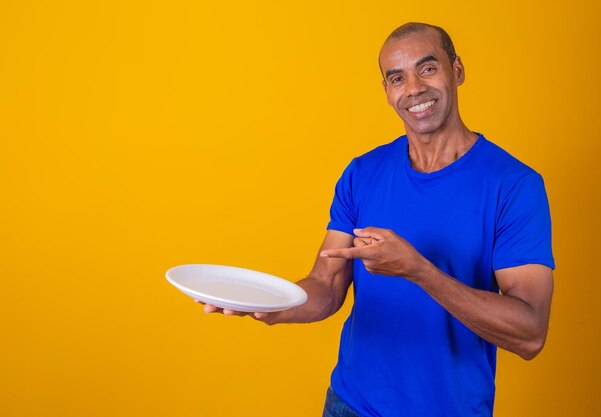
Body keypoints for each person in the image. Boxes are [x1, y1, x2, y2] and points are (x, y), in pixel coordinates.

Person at [200, 22, 555, 417]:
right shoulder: (362, 173)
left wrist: (420, 270)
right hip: (350, 405)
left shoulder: (514, 185)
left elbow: (530, 333)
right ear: (386, 91)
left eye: (428, 68)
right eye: (397, 78)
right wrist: (273, 306)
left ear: (457, 70)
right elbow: (327, 284)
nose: (414, 89)